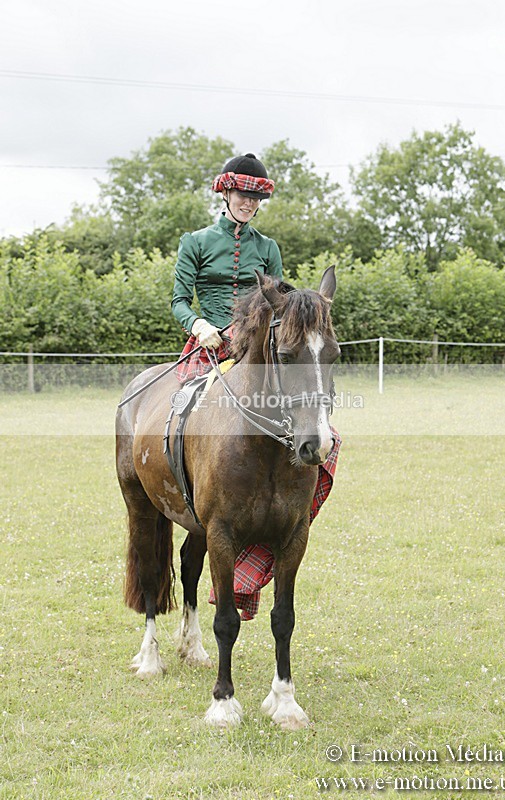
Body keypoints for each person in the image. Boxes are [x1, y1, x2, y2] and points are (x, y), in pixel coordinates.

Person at [171, 153, 341, 619]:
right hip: (207, 344)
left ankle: (286, 520)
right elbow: (177, 298)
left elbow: (282, 304)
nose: (248, 202)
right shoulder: (196, 242)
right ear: (226, 193)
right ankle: (185, 491)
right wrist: (199, 322)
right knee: (178, 412)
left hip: (256, 351)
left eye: (256, 196)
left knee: (322, 431)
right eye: (243, 194)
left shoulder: (269, 248)